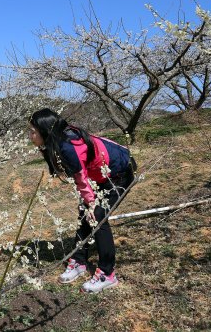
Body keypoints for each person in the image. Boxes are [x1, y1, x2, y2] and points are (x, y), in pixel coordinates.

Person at [28, 108, 136, 293]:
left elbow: (81, 179)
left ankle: (107, 273)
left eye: (33, 131)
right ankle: (79, 261)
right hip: (99, 176)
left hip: (119, 172)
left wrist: (92, 204)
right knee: (85, 213)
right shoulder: (54, 143)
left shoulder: (69, 147)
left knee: (98, 216)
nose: (30, 135)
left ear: (45, 131)